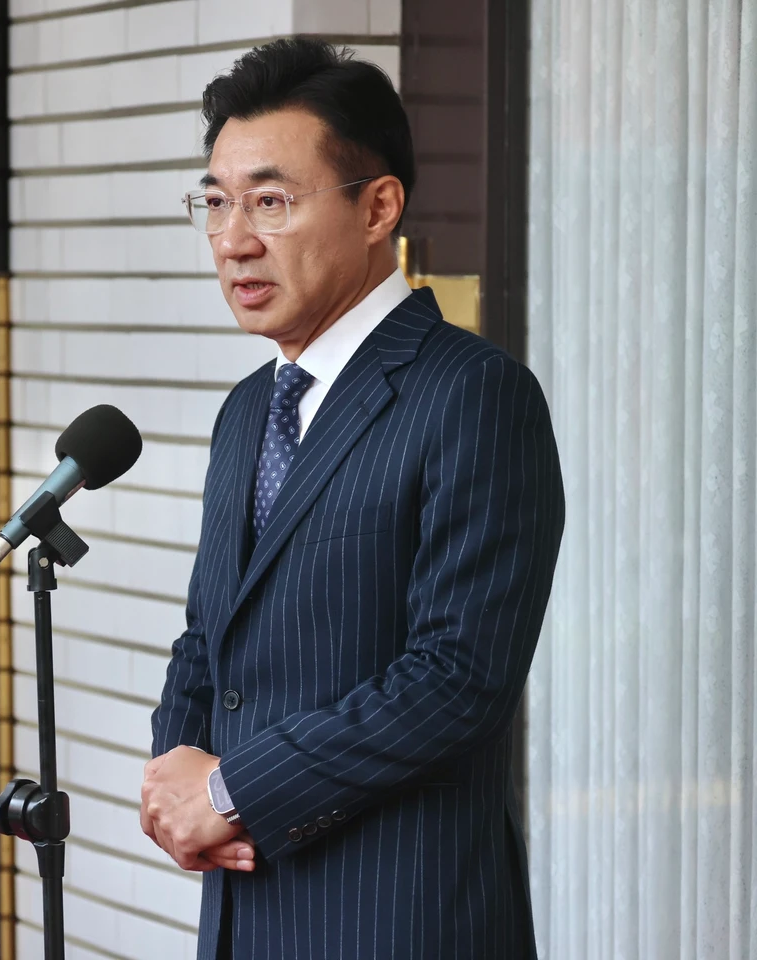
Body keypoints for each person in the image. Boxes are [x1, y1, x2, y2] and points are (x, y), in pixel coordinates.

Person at [141, 38, 564, 960]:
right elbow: (210, 634)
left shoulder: (473, 395)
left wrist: (231, 793)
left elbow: (457, 678)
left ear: (379, 208)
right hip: (246, 914)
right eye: (216, 202)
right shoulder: (248, 410)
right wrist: (172, 775)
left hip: (397, 917)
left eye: (271, 202)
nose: (233, 239)